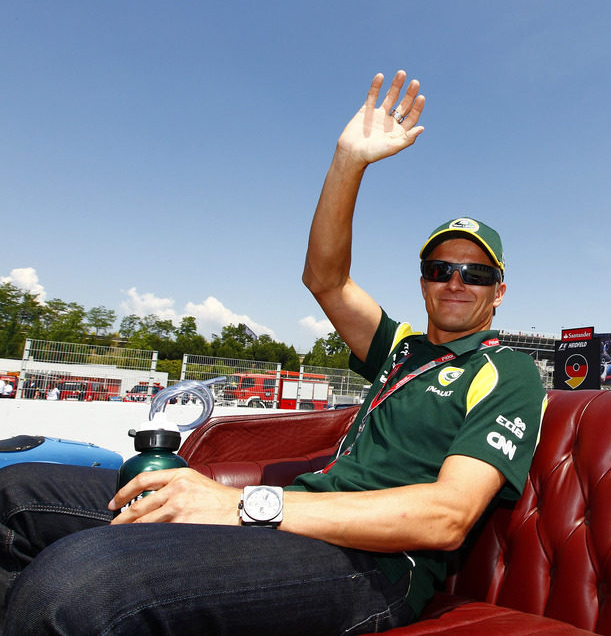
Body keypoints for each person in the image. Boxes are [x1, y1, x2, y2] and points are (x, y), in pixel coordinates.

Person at [0, 70, 546, 634]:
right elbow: (325, 280)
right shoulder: (402, 347)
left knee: (78, 585)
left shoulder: (506, 369)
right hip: (294, 520)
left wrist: (243, 506)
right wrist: (348, 161)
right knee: (18, 494)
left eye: (475, 273)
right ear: (425, 281)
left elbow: (447, 518)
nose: (456, 282)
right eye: (441, 269)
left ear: (499, 290)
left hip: (377, 565)